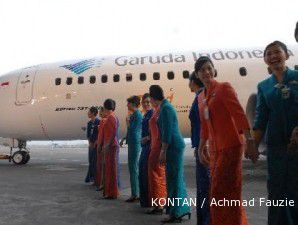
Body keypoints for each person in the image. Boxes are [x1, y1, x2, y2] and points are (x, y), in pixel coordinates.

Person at [195, 56, 258, 225]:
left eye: (209, 68)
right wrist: (201, 148)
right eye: (202, 70)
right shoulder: (201, 97)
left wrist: (250, 142)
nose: (206, 72)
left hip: (231, 146)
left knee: (220, 192)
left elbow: (239, 115)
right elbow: (204, 126)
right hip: (215, 150)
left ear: (214, 69)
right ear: (197, 75)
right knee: (225, 194)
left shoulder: (224, 88)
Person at [253, 41, 298, 225]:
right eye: (268, 54)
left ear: (286, 55)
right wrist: (253, 146)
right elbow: (260, 120)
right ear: (265, 60)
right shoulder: (264, 86)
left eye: (277, 52)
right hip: (277, 150)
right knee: (277, 194)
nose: (273, 56)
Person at [149, 85, 190, 223]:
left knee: (173, 179)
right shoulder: (165, 107)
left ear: (153, 98)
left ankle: (176, 213)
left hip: (172, 147)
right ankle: (180, 210)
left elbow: (166, 132)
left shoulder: (165, 109)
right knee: (175, 178)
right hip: (173, 145)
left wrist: (163, 151)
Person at [188, 72, 210, 225]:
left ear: (193, 82)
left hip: (204, 148)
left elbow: (205, 125)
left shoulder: (202, 97)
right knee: (202, 186)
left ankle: (208, 220)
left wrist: (202, 147)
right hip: (201, 146)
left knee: (205, 186)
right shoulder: (199, 96)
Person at [147, 95, 167, 215]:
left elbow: (164, 130)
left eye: (151, 100)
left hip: (158, 147)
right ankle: (157, 204)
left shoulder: (161, 111)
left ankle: (159, 205)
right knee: (154, 177)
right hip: (154, 146)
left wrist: (163, 150)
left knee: (157, 176)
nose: (149, 103)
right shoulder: (156, 111)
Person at [125, 95, 143, 202]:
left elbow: (133, 130)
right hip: (132, 142)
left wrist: (127, 123)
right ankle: (135, 193)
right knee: (133, 168)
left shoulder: (137, 115)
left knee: (134, 168)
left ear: (132, 104)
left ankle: (136, 194)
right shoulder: (135, 114)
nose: (127, 105)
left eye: (128, 103)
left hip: (135, 143)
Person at [102, 99, 120, 199]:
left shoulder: (110, 118)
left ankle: (112, 193)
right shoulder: (112, 117)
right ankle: (111, 192)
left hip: (111, 146)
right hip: (111, 145)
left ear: (105, 107)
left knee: (111, 170)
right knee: (111, 170)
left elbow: (112, 133)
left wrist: (107, 145)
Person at [138, 93, 154, 207]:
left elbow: (156, 131)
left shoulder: (153, 114)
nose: (146, 104)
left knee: (147, 174)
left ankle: (149, 201)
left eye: (148, 102)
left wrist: (147, 138)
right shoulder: (146, 114)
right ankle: (145, 200)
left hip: (150, 146)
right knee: (143, 173)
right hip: (145, 147)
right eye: (144, 102)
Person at [85, 106, 100, 183]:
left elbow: (100, 134)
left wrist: (96, 142)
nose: (88, 113)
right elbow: (88, 135)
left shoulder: (99, 122)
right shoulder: (89, 123)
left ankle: (96, 179)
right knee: (91, 161)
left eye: (89, 112)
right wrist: (90, 143)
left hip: (97, 145)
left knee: (95, 162)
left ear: (93, 113)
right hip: (91, 145)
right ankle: (91, 177)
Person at [95, 106, 106, 191]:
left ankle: (103, 183)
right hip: (103, 145)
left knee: (103, 166)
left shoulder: (104, 121)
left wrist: (99, 145)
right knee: (103, 166)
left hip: (103, 145)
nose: (99, 114)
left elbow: (102, 135)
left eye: (100, 112)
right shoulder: (105, 120)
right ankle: (102, 183)